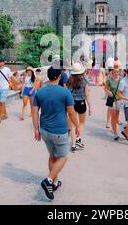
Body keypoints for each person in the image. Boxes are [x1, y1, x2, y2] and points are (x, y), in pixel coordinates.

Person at [32, 66, 79, 201]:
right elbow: (71, 112)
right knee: (63, 157)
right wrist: (77, 126)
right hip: (59, 131)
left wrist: (36, 129)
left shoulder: (40, 92)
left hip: (45, 131)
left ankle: (53, 182)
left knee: (52, 156)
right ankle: (48, 180)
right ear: (59, 77)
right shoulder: (65, 93)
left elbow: (34, 112)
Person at [66, 63, 92, 152]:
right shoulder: (84, 82)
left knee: (72, 125)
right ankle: (78, 138)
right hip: (81, 103)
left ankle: (73, 144)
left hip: (71, 104)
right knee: (81, 123)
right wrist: (90, 107)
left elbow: (66, 94)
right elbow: (87, 95)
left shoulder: (68, 81)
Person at [104, 67, 122, 140]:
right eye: (115, 72)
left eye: (117, 72)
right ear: (112, 72)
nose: (116, 73)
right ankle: (115, 133)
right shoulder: (109, 80)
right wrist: (109, 92)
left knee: (116, 117)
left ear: (119, 72)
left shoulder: (121, 80)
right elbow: (105, 88)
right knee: (113, 117)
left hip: (119, 100)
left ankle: (114, 129)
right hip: (112, 100)